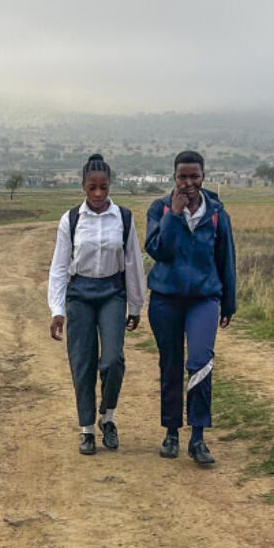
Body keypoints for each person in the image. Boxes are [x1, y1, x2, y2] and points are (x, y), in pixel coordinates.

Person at [48, 154, 146, 455]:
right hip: (80, 294)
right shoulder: (72, 220)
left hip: (112, 293)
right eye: (93, 188)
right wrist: (58, 310)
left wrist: (135, 305)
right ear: (83, 187)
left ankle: (108, 417)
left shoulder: (124, 218)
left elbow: (133, 264)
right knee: (82, 362)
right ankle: (87, 430)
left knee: (113, 360)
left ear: (110, 186)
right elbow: (60, 267)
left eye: (104, 187)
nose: (99, 195)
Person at [144, 150, 236, 466]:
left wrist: (229, 302)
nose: (188, 183)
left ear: (203, 177)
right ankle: (171, 432)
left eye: (194, 176)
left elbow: (226, 259)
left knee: (200, 362)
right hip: (165, 299)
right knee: (170, 364)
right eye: (182, 177)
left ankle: (198, 438)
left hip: (204, 299)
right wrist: (173, 214)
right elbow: (158, 250)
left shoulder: (216, 211)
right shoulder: (160, 209)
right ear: (174, 178)